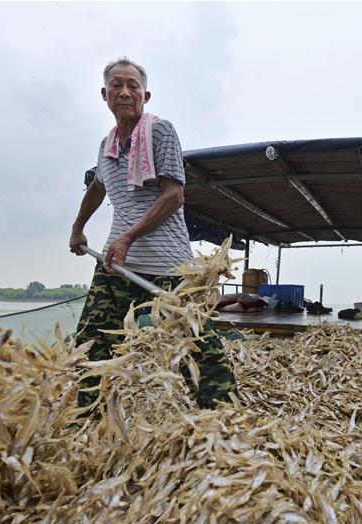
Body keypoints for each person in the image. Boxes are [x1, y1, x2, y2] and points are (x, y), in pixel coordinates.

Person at [69, 57, 235, 409]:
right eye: (117, 85)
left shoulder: (160, 132)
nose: (124, 92)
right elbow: (98, 186)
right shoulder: (106, 145)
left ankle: (222, 411)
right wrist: (77, 228)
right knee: (91, 340)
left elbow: (174, 195)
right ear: (104, 94)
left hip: (169, 265)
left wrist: (128, 237)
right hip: (118, 264)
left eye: (133, 86)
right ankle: (88, 413)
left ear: (145, 95)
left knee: (197, 342)